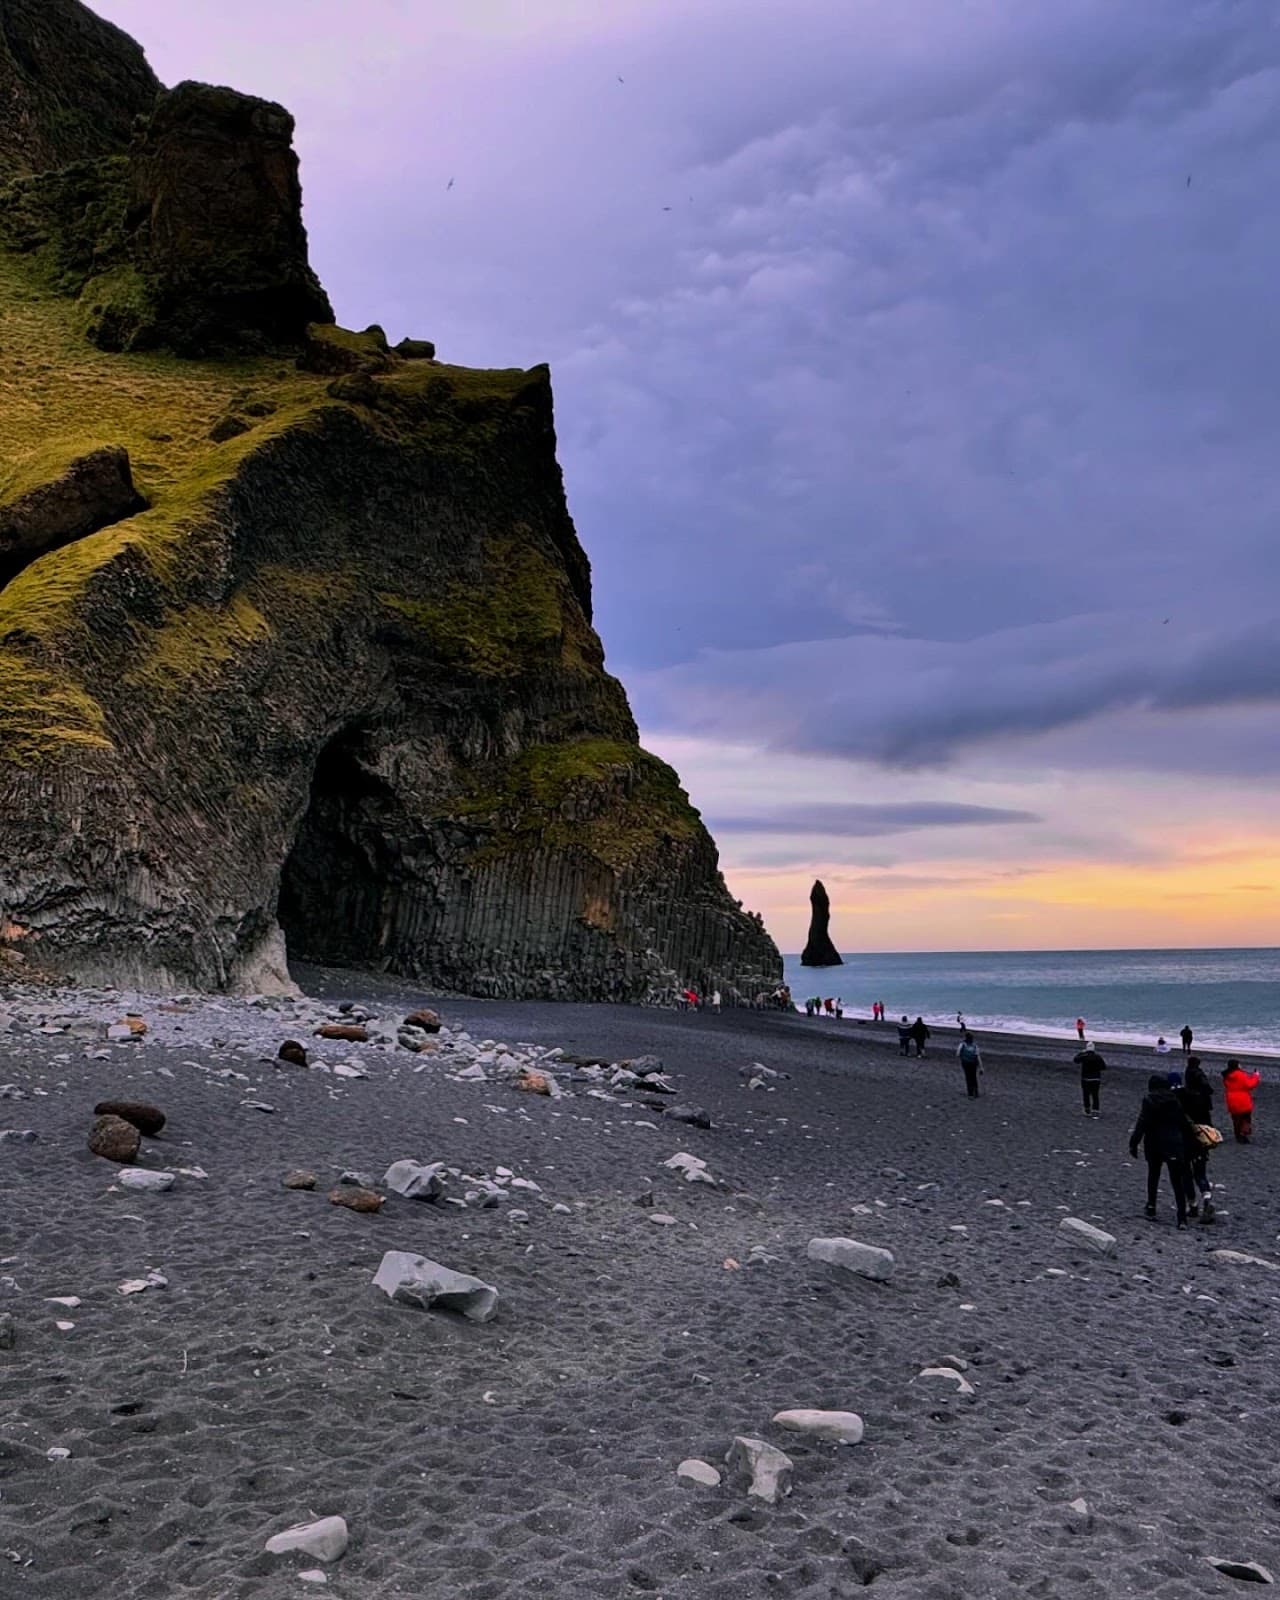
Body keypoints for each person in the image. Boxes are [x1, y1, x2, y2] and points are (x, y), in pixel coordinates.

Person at [1129, 1072, 1194, 1226]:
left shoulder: (1149, 1100)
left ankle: (1151, 1206)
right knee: (1176, 1180)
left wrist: (1134, 1143)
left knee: (1153, 1175)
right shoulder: (1174, 1100)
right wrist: (1190, 1143)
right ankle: (1181, 1217)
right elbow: (1184, 1123)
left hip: (1154, 1143)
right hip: (1173, 1142)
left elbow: (1142, 1122)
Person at [1176, 1057, 1215, 1219]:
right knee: (1200, 1173)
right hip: (1201, 1138)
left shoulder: (1181, 1096)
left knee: (1186, 1174)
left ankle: (1192, 1204)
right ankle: (1206, 1196)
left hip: (1185, 1140)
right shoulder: (1204, 1100)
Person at [1222, 1059, 1261, 1143]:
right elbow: (1249, 1085)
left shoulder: (1227, 1075)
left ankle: (1238, 1135)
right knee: (1245, 1118)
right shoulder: (1240, 1074)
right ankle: (1243, 1135)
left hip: (1231, 1098)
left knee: (1236, 1119)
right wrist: (1256, 1076)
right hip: (1242, 1099)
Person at [1074, 1040, 1106, 1117]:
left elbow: (1075, 1060)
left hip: (1086, 1079)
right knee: (1095, 1095)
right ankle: (1096, 1112)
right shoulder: (1098, 1057)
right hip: (1096, 1079)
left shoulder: (1084, 1056)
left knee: (1086, 1095)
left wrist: (1081, 1053)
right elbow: (1103, 1067)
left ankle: (1087, 1110)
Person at [957, 1032, 982, 1097]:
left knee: (968, 1077)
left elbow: (957, 1054)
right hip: (973, 1063)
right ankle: (976, 1092)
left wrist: (962, 1058)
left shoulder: (962, 1044)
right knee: (974, 1077)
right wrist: (981, 1067)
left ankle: (970, 1092)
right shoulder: (975, 1045)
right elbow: (978, 1056)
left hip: (965, 1063)